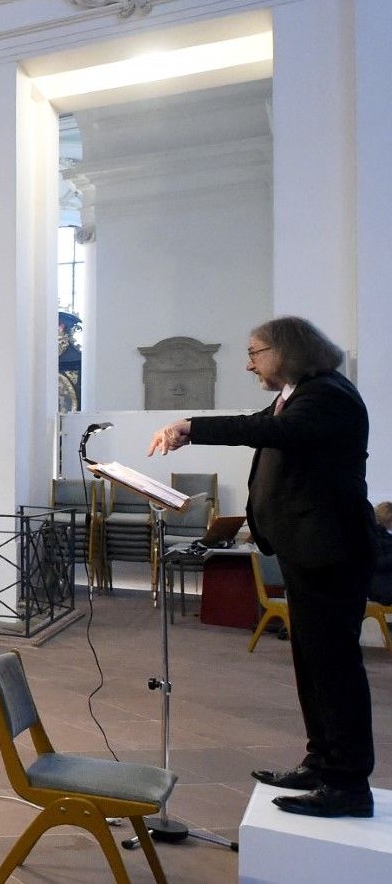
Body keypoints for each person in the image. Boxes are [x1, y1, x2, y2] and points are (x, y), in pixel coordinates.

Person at [150, 316, 376, 819]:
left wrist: (191, 427)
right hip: (311, 549)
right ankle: (321, 763)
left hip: (330, 552)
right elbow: (276, 442)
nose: (248, 362)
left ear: (286, 350)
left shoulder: (327, 396)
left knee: (334, 669)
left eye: (255, 352)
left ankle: (347, 784)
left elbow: (264, 431)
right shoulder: (300, 393)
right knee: (312, 663)